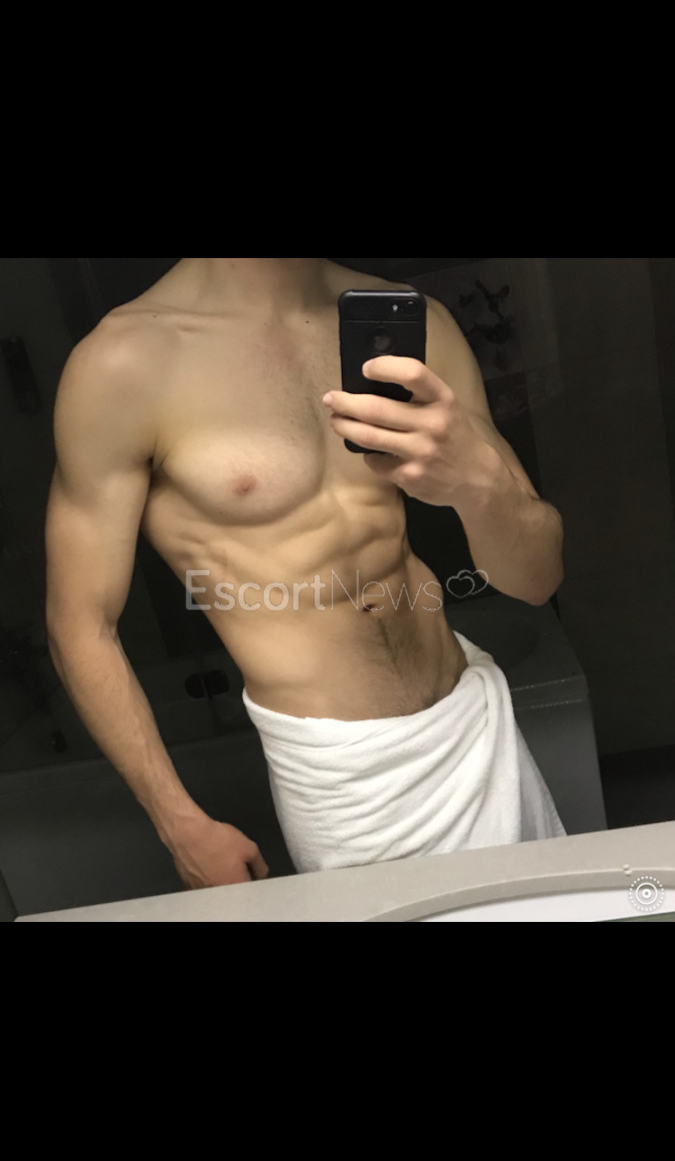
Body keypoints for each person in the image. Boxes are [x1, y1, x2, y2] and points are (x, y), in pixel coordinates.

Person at [45, 258, 566, 890]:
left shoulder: (415, 322)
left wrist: (480, 487)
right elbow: (81, 625)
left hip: (474, 726)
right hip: (343, 780)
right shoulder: (122, 364)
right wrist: (179, 824)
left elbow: (537, 580)